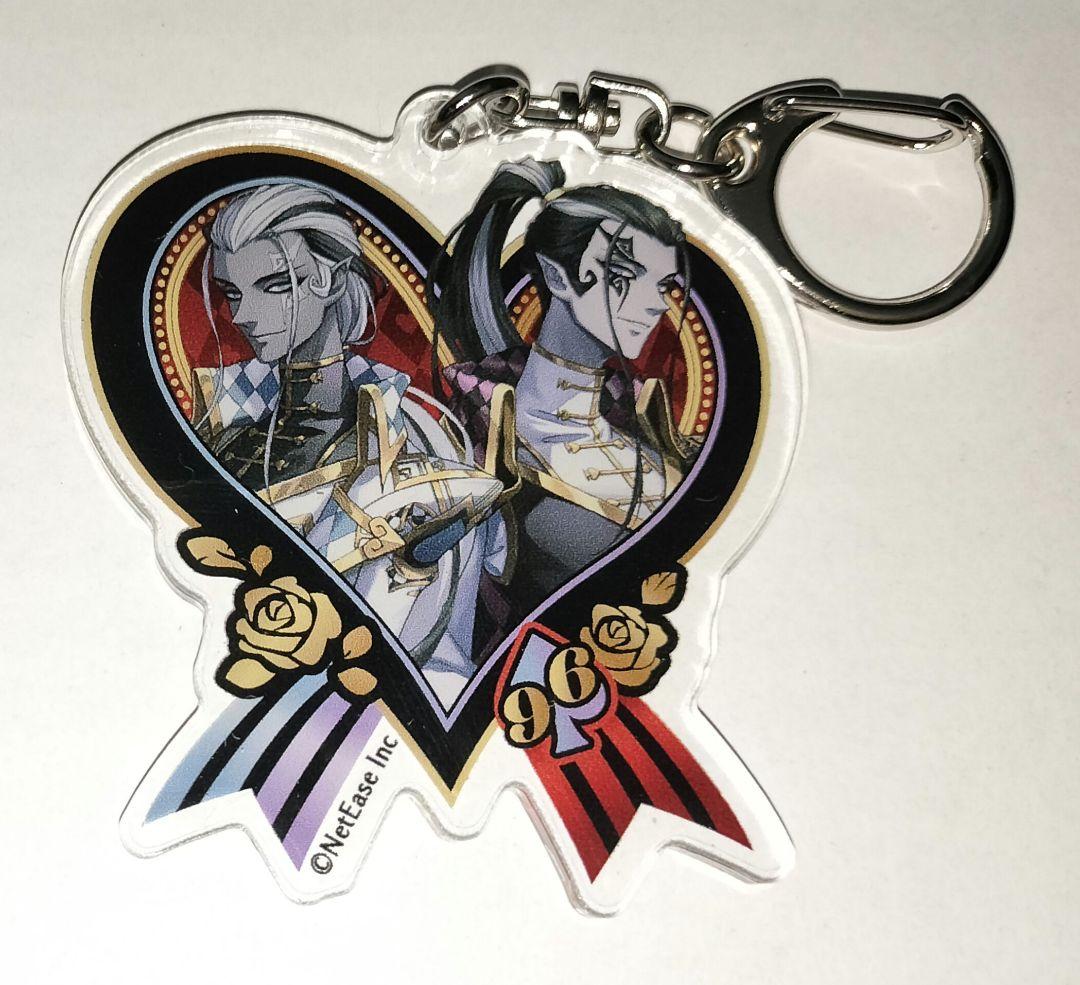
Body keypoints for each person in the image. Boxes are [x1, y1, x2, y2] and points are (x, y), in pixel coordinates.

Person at [192, 182, 514, 704]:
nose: (244, 315)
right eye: (233, 293)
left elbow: (442, 650)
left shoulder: (417, 438)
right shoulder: (222, 430)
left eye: (274, 285)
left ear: (332, 279)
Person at [433, 159, 698, 612]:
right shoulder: (472, 440)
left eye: (662, 286)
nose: (654, 305)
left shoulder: (653, 430)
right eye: (623, 277)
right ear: (557, 276)